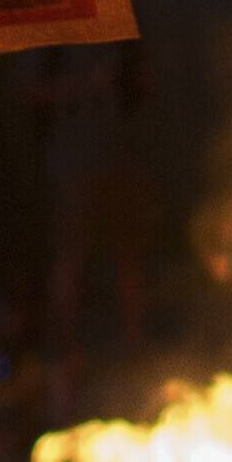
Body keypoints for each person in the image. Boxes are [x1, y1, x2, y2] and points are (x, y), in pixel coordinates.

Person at [22, 30, 161, 377]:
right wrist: (85, 85)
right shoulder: (54, 31)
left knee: (129, 252)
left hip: (121, 157)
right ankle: (66, 352)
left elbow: (141, 82)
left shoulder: (121, 26)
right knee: (71, 255)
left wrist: (136, 85)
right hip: (73, 164)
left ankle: (136, 348)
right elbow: (29, 91)